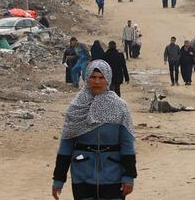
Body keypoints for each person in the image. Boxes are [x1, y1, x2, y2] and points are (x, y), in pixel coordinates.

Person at [51, 60, 137, 200]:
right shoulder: (76, 107)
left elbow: (127, 145)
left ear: (108, 79)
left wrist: (129, 176)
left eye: (101, 77)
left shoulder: (120, 107)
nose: (97, 81)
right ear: (86, 79)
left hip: (113, 173)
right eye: (93, 77)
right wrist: (58, 179)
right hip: (82, 173)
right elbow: (66, 146)